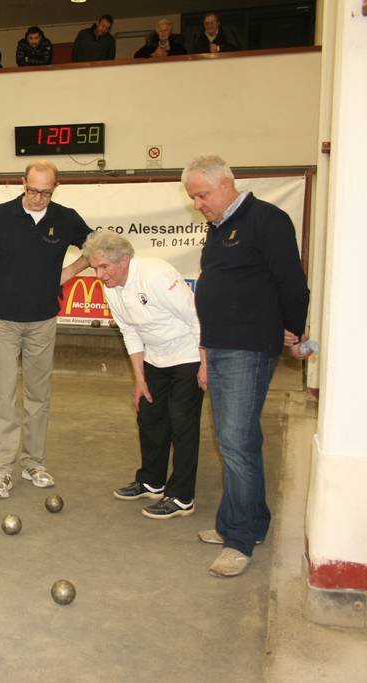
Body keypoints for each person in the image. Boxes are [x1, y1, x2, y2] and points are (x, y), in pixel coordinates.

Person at [183, 153, 310, 577]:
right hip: (219, 345)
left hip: (248, 347)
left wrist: (293, 329)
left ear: (225, 184)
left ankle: (239, 540)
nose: (198, 204)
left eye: (201, 195)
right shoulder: (218, 229)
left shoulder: (266, 220)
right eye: (193, 198)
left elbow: (291, 280)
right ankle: (246, 522)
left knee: (236, 441)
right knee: (235, 440)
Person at [0, 161, 92, 499]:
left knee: (38, 397)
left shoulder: (65, 217)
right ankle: (1, 471)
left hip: (43, 320)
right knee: (4, 397)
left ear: (55, 189)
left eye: (46, 192)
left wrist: (72, 269)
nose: (39, 198)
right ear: (22, 183)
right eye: (33, 190)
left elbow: (97, 245)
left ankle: (34, 463)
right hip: (2, 320)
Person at [82, 232, 205, 519]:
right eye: (96, 268)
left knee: (182, 425)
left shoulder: (156, 274)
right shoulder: (112, 287)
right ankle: (152, 480)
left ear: (124, 261)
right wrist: (140, 379)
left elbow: (196, 317)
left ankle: (182, 497)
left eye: (104, 267)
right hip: (154, 358)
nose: (99, 275)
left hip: (187, 355)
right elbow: (130, 332)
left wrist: (205, 363)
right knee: (149, 417)